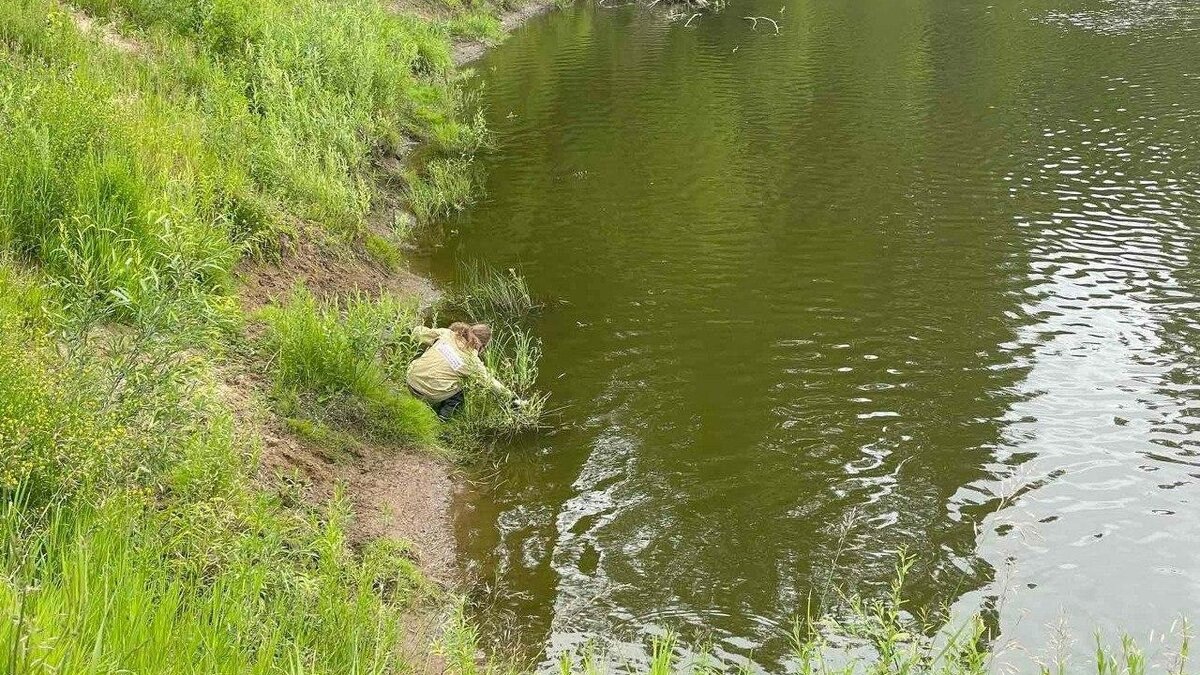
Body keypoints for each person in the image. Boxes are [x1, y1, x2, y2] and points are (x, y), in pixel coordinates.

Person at [406, 322, 526, 420]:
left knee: (431, 349)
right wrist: (513, 399)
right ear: (482, 346)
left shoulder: (447, 334)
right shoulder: (472, 362)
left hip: (410, 379)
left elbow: (417, 332)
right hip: (429, 395)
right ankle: (443, 417)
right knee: (465, 383)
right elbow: (491, 383)